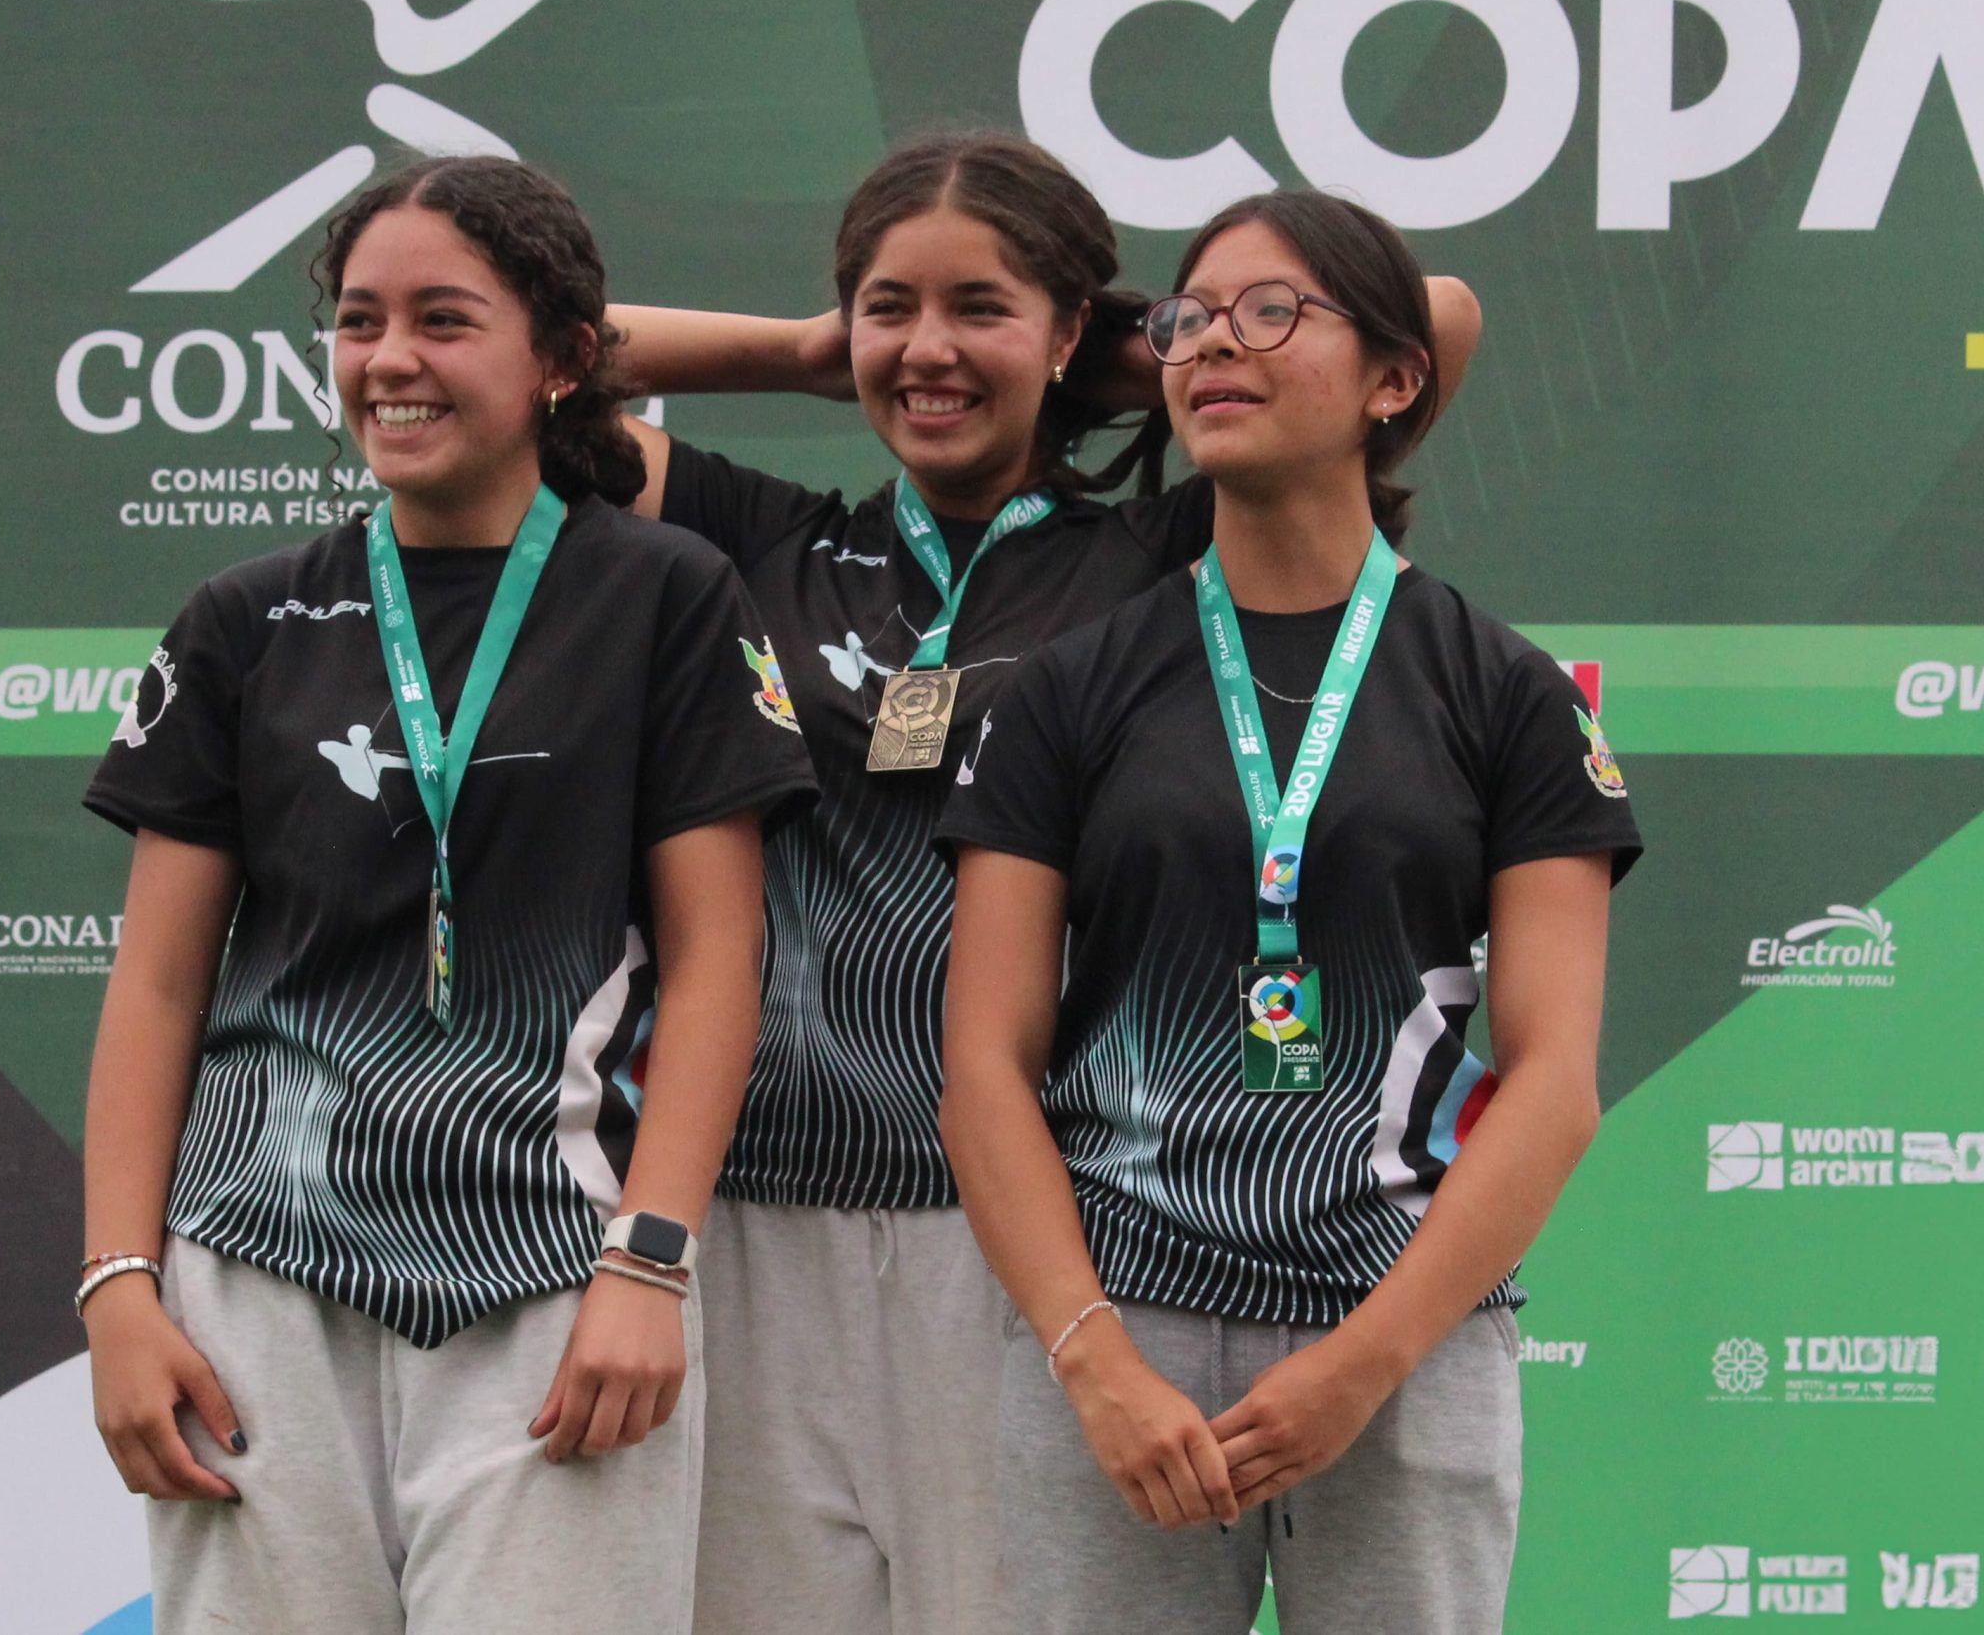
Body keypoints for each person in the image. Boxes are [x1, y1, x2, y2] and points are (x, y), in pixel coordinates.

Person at [601, 132, 1481, 1635]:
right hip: (755, 1214)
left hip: (1021, 1229)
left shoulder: (1160, 552)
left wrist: (1138, 351)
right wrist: (824, 353)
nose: (928, 348)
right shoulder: (765, 540)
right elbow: (542, 367)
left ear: (1072, 329)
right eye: (891, 305)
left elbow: (1437, 318)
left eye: (980, 307)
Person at [75, 155, 814, 1635]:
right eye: (359, 322)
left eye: (444, 320)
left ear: (562, 361)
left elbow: (717, 960)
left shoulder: (667, 595)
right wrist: (118, 1288)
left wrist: (651, 1261)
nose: (390, 359)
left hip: (556, 1269)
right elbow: (156, 983)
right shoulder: (246, 617)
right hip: (258, 1279)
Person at [936, 189, 1641, 1635]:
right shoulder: (1071, 688)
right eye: (1190, 319)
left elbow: (1553, 1080)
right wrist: (1091, 1359)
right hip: (1117, 1332)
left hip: (1407, 1331)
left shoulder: (1505, 691)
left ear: (1394, 382)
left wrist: (1368, 1360)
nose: (1213, 345)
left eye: (1274, 313)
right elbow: (983, 1070)